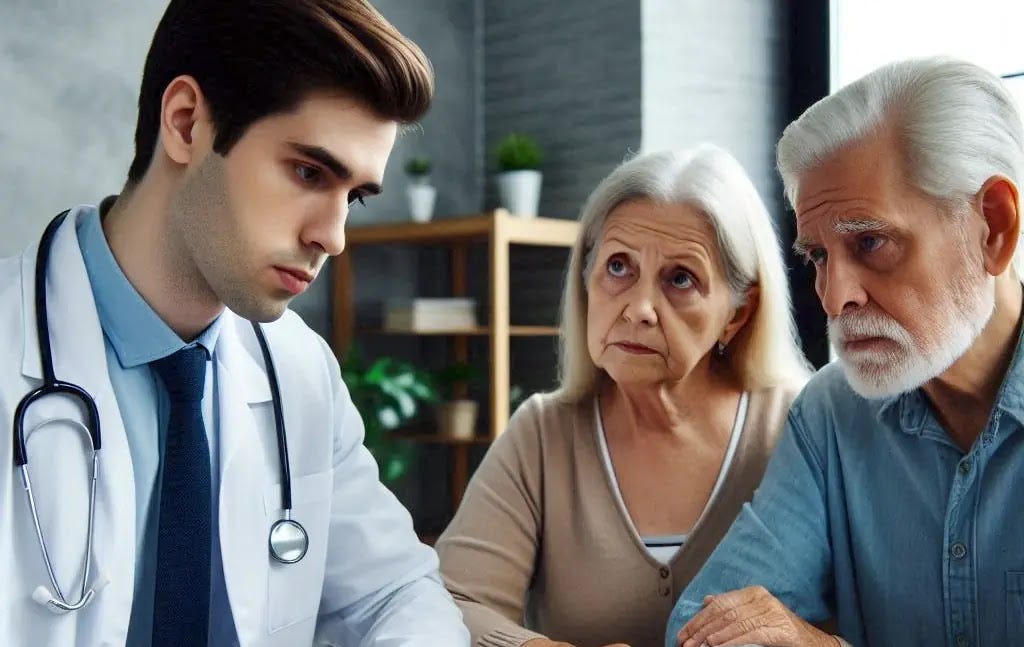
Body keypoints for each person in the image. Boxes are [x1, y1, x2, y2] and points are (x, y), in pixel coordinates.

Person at [0, 1, 470, 645]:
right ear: (187, 123)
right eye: (309, 172)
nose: (333, 237)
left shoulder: (300, 369)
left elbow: (396, 592)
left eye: (353, 196)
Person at [668, 57, 1024, 647]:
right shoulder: (831, 413)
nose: (834, 299)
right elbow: (701, 627)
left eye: (870, 241)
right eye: (818, 256)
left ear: (993, 227)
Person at [435, 145, 810, 647]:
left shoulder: (802, 426)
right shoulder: (544, 434)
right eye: (618, 267)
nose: (639, 309)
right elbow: (451, 604)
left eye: (681, 279)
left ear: (738, 313)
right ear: (586, 280)